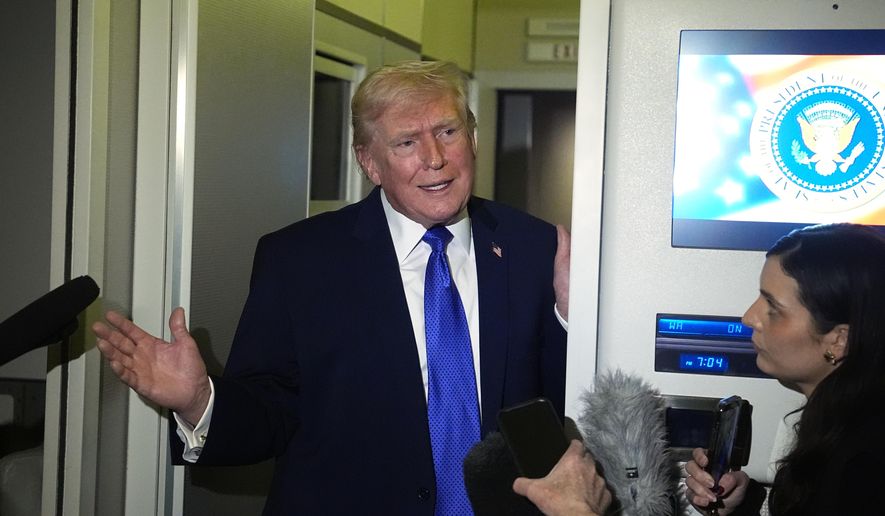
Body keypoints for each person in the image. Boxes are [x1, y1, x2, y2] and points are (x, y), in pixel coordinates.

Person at [93, 60, 570, 515]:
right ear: (370, 163)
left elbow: (563, 406)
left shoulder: (534, 248)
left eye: (448, 131)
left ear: (472, 138)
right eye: (406, 142)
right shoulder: (301, 261)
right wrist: (200, 399)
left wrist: (576, 317)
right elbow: (272, 413)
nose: (435, 158)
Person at [684, 223, 885, 515]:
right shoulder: (842, 430)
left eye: (773, 307)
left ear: (839, 340)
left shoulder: (862, 468)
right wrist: (745, 504)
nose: (749, 317)